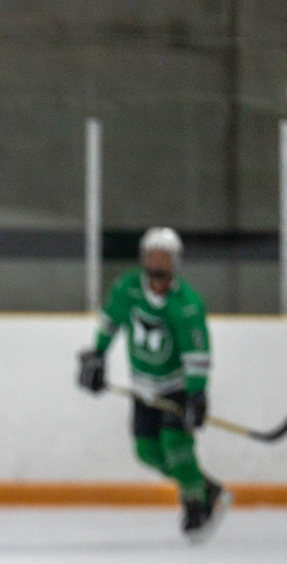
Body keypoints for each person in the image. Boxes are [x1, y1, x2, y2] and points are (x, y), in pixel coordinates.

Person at [77, 227, 229, 542]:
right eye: (152, 256)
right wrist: (97, 356)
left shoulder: (187, 304)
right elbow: (110, 321)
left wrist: (196, 393)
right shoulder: (128, 288)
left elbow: (196, 353)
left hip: (176, 387)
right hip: (143, 387)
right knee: (146, 451)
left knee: (176, 445)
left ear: (175, 262)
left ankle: (195, 504)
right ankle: (206, 487)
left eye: (164, 257)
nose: (157, 264)